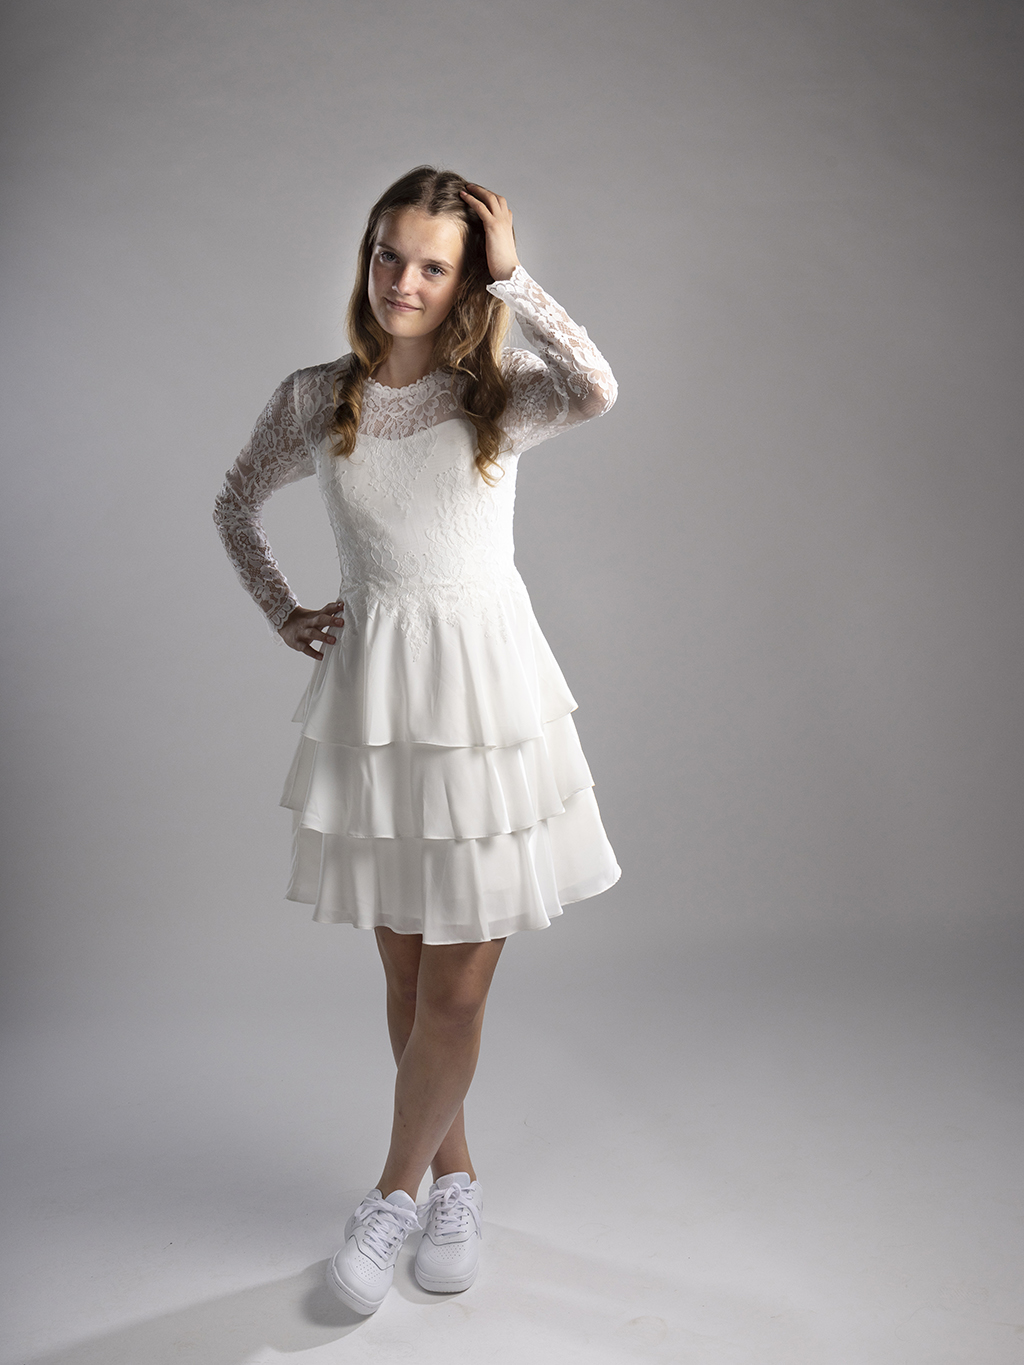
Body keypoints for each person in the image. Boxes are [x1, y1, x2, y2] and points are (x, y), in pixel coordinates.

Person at [213, 166, 620, 1315]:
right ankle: (457, 1182)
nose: (404, 280)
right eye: (389, 254)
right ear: (367, 256)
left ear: (463, 282)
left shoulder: (497, 395)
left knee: (456, 992)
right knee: (405, 974)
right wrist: (283, 610)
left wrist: (515, 276)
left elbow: (596, 386)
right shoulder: (317, 399)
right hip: (377, 702)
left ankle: (389, 1196)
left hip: (484, 704)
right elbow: (235, 502)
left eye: (435, 266)